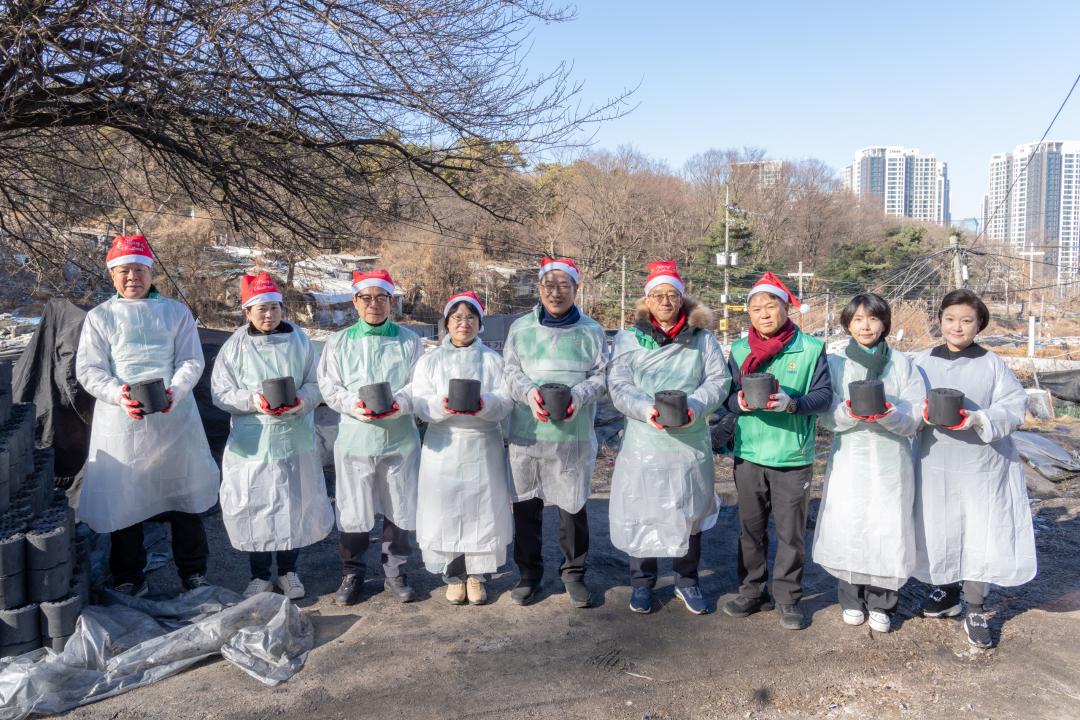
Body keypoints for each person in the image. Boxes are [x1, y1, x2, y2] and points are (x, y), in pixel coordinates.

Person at [75, 234, 219, 595]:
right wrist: (118, 394)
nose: (132, 277)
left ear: (150, 272)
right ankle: (129, 575)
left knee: (184, 496)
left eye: (139, 270)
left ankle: (193, 571)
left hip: (175, 421)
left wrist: (176, 390)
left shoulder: (175, 312)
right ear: (112, 275)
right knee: (126, 498)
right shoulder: (100, 317)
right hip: (123, 422)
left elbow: (191, 359)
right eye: (124, 270)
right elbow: (90, 369)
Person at [913, 289, 1036, 648]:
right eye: (950, 319)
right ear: (939, 320)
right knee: (940, 525)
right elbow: (906, 402)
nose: (957, 327)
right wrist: (917, 414)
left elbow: (1015, 405)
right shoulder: (921, 361)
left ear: (979, 323)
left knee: (979, 532)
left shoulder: (992, 364)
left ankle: (976, 606)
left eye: (967, 320)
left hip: (982, 464)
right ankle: (946, 592)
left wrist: (979, 419)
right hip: (935, 461)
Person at [607, 261, 729, 615]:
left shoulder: (702, 339)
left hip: (689, 441)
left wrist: (695, 405)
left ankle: (687, 581)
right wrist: (645, 409)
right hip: (644, 441)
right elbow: (618, 384)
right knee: (642, 509)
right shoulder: (629, 339)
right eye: (658, 294)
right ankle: (642, 583)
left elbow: (718, 381)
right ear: (647, 300)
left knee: (689, 510)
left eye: (672, 294)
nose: (665, 301)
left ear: (682, 299)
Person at [211, 272, 333, 600]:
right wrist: (253, 400)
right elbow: (220, 393)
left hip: (294, 438)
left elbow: (317, 382)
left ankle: (288, 571)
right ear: (247, 312)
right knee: (257, 507)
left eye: (275, 307)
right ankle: (260, 574)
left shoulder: (299, 340)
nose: (269, 314)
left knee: (293, 505)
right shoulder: (235, 347)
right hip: (254, 444)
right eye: (261, 308)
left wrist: (301, 401)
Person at [721, 271, 832, 630]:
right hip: (750, 453)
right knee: (750, 529)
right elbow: (725, 398)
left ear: (786, 308)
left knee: (790, 534)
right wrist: (738, 402)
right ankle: (752, 591)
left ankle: (788, 598)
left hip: (792, 456)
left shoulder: (810, 348)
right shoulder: (740, 350)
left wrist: (792, 403)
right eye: (756, 309)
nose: (764, 314)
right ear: (749, 314)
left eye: (771, 306)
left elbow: (824, 396)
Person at [812, 293, 924, 633]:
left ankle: (882, 602)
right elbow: (826, 413)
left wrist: (889, 415)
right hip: (851, 457)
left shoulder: (902, 364)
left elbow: (917, 413)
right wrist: (849, 412)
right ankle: (850, 598)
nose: (865, 326)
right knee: (850, 524)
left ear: (884, 324)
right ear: (847, 324)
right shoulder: (835, 363)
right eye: (858, 319)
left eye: (873, 319)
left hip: (892, 458)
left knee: (887, 527)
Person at [503, 257, 608, 608]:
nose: (556, 292)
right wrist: (528, 393)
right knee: (526, 508)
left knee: (572, 509)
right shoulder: (520, 328)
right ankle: (528, 575)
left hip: (572, 436)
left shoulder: (592, 331)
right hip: (527, 433)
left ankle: (574, 574)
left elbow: (602, 376)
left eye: (564, 285)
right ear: (539, 288)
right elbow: (510, 371)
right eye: (549, 285)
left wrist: (579, 395)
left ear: (576, 288)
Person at [317, 269, 423, 606]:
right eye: (366, 298)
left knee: (400, 505)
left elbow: (420, 383)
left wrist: (399, 402)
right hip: (356, 438)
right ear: (355, 302)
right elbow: (329, 385)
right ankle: (352, 573)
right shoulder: (339, 342)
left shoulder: (410, 340)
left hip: (399, 438)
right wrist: (354, 404)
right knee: (353, 508)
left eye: (381, 297)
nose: (373, 304)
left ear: (392, 302)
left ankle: (395, 570)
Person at [411, 291, 513, 605]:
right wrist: (440, 406)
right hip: (444, 443)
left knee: (481, 509)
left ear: (480, 324)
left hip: (482, 442)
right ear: (446, 323)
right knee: (447, 509)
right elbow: (419, 400)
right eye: (457, 318)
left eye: (470, 318)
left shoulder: (493, 360)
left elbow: (506, 399)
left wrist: (485, 404)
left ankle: (477, 575)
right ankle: (454, 576)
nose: (463, 324)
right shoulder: (430, 361)